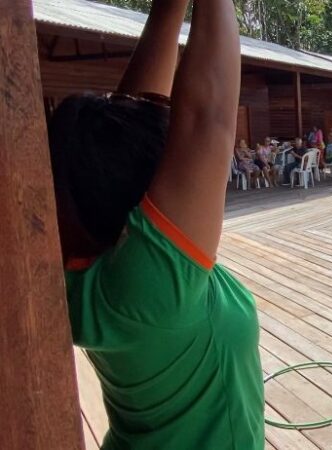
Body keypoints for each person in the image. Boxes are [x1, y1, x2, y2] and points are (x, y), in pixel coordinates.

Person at [46, 0, 264, 448]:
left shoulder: (89, 271)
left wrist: (170, 6)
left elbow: (131, 119)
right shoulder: (144, 289)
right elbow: (207, 120)